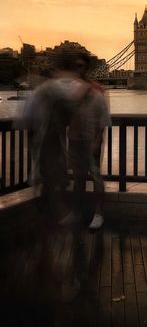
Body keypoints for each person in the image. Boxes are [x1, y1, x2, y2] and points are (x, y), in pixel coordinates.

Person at [23, 51, 89, 223]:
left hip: (50, 141)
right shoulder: (53, 89)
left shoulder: (44, 90)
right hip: (49, 141)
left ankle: (47, 218)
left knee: (51, 179)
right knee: (53, 178)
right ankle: (52, 218)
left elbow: (27, 118)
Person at [67, 53, 110, 230]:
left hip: (91, 140)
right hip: (74, 139)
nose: (79, 70)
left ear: (87, 68)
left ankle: (99, 213)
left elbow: (104, 119)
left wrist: (97, 140)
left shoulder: (98, 91)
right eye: (76, 66)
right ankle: (76, 212)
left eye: (81, 66)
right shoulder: (71, 89)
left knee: (96, 177)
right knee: (78, 178)